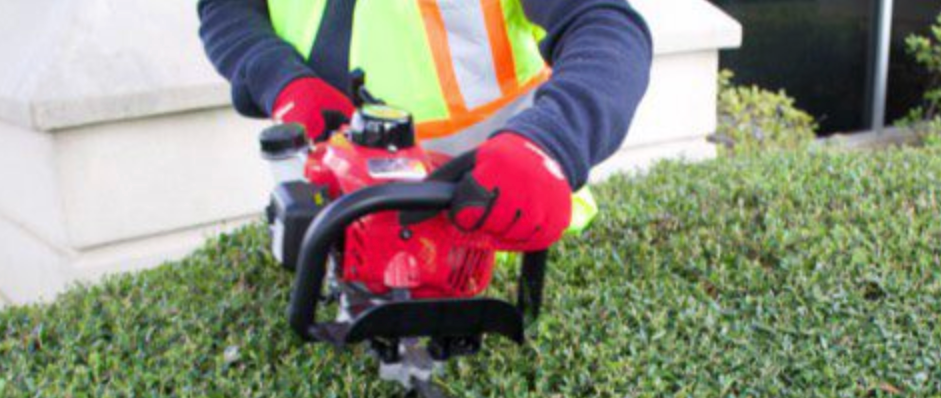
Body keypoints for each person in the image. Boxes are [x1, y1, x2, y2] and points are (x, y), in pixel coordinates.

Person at [197, 0, 652, 251]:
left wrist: (552, 142)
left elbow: (608, 28)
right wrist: (283, 80)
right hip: (336, 237)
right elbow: (227, 8)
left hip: (501, 233)